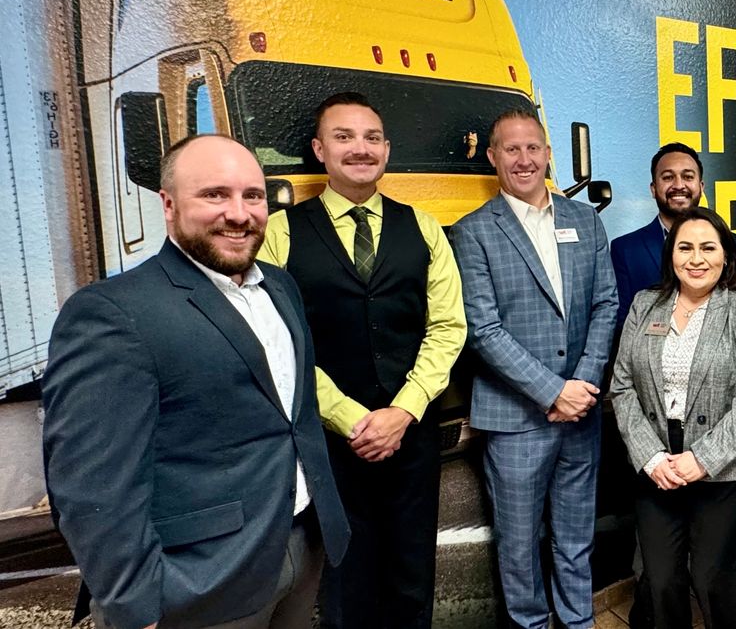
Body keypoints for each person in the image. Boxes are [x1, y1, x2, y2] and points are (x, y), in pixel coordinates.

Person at [41, 135, 350, 629]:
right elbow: (91, 486)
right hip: (199, 583)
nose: (239, 212)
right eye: (214, 195)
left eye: (252, 195)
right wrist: (132, 607)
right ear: (168, 203)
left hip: (301, 550)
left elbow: (292, 418)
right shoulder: (113, 313)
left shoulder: (281, 286)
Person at [257, 92, 466, 628]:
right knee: (345, 578)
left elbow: (447, 328)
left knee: (412, 573)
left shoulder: (421, 227)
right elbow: (276, 339)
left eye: (372, 138)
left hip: (410, 431)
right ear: (319, 149)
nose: (360, 149)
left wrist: (404, 410)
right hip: (329, 440)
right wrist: (351, 418)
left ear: (387, 149)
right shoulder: (280, 233)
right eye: (344, 137)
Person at [451, 109, 618, 629]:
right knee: (519, 545)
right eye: (511, 149)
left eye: (533, 148)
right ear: (493, 157)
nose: (524, 159)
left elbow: (606, 305)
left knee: (575, 536)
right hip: (516, 418)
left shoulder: (584, 221)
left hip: (582, 413)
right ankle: (530, 624)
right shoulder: (473, 232)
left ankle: (578, 621)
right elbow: (483, 331)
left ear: (548, 154)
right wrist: (553, 392)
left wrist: (582, 385)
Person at [608, 142, 736, 626]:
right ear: (671, 255)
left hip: (724, 467)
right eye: (685, 248)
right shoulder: (644, 305)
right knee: (662, 579)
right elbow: (622, 386)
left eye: (708, 247)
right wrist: (651, 457)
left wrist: (701, 459)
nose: (696, 258)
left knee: (714, 579)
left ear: (724, 254)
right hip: (657, 462)